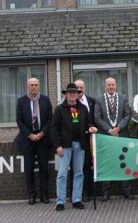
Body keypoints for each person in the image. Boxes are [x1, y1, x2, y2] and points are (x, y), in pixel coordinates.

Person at [51, 82, 97, 211]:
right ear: (66, 95)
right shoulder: (59, 109)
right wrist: (58, 145)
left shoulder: (83, 108)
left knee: (79, 173)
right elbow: (54, 129)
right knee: (62, 174)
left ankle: (77, 199)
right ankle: (60, 201)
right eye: (69, 93)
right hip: (65, 146)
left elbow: (88, 123)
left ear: (77, 94)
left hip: (80, 145)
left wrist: (91, 128)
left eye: (74, 93)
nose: (72, 95)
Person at [93, 77, 133, 200]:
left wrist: (118, 128)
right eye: (108, 85)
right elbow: (97, 117)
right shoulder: (99, 100)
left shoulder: (123, 98)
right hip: (106, 136)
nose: (111, 87)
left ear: (116, 86)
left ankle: (126, 190)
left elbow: (127, 115)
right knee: (107, 163)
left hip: (121, 135)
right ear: (105, 86)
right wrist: (110, 130)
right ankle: (106, 191)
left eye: (113, 84)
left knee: (124, 162)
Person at [15, 77, 53, 205]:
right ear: (28, 87)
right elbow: (19, 120)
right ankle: (31, 195)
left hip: (43, 139)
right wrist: (30, 135)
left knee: (44, 168)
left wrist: (42, 133)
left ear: (39, 86)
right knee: (29, 168)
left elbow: (49, 119)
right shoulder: (21, 101)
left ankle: (44, 194)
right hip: (28, 139)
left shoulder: (46, 100)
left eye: (36, 85)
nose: (34, 87)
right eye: (32, 85)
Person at [74, 79, 97, 202]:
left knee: (88, 166)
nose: (80, 89)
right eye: (77, 87)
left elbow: (94, 119)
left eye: (81, 87)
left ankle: (87, 192)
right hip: (77, 140)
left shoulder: (92, 101)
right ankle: (78, 193)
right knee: (77, 167)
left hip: (90, 140)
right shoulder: (70, 103)